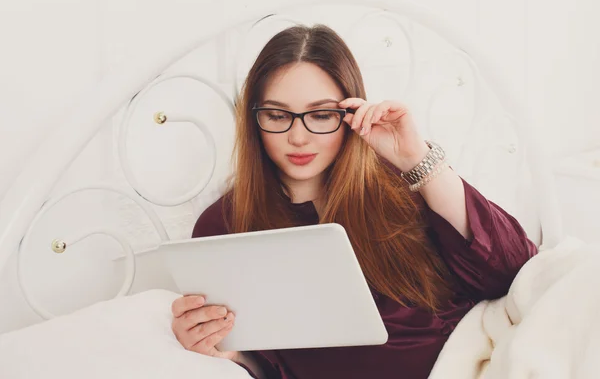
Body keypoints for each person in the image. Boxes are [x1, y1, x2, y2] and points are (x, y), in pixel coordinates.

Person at [170, 24, 538, 379]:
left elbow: (516, 271)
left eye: (321, 115)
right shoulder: (224, 227)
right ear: (254, 120)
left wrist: (416, 159)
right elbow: (267, 361)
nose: (298, 137)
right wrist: (226, 351)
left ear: (349, 114)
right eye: (278, 115)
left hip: (484, 356)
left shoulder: (400, 179)